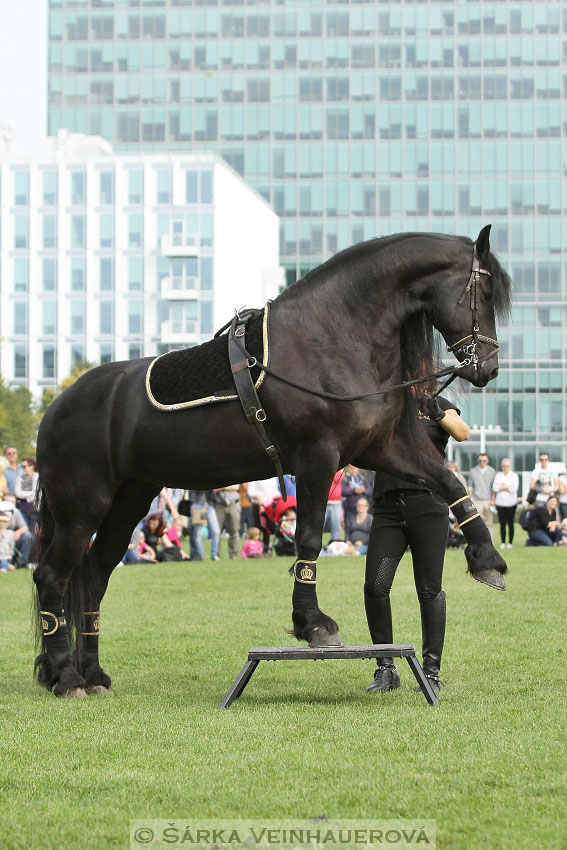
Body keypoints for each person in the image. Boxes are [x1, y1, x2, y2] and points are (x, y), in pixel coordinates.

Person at [365, 393, 470, 695]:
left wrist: (434, 409)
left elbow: (462, 433)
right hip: (387, 507)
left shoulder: (438, 402)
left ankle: (431, 673)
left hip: (428, 506)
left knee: (429, 589)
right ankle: (386, 668)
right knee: (375, 586)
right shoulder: (382, 397)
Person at [491, 458, 519, 549]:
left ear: (510, 466)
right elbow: (495, 488)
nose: (505, 467)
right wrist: (506, 487)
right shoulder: (499, 475)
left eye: (507, 466)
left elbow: (513, 489)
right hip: (500, 503)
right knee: (502, 523)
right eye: (504, 466)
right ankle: (503, 542)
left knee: (510, 523)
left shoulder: (514, 476)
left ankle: (510, 542)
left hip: (511, 503)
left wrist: (501, 487)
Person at [188, 491, 220, 561]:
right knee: (197, 533)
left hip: (210, 505)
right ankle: (201, 554)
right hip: (197, 505)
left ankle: (214, 554)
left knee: (216, 531)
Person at [468, 453, 496, 529]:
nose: (482, 462)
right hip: (476, 500)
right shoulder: (473, 471)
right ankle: (477, 541)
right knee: (475, 523)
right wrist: (470, 499)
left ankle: (490, 541)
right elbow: (470, 487)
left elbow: (494, 487)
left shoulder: (492, 471)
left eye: (484, 461)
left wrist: (493, 499)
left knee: (489, 523)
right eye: (480, 461)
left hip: (488, 500)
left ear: (487, 461)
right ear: (478, 461)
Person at [0, 500, 32, 567]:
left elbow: (25, 527)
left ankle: (21, 562)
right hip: (2, 541)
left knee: (28, 535)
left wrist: (18, 532)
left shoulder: (16, 512)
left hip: (13, 539)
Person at [213, 485, 241, 559]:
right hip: (219, 504)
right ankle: (216, 554)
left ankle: (233, 554)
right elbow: (214, 489)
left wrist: (222, 488)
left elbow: (236, 487)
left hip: (232, 503)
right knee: (217, 531)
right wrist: (227, 487)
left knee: (234, 529)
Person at [341, 465, 372, 530]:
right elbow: (343, 491)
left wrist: (364, 490)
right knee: (349, 527)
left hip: (362, 508)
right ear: (348, 469)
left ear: (357, 469)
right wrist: (354, 491)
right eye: (351, 468)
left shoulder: (362, 478)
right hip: (349, 508)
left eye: (354, 468)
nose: (353, 470)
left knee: (362, 526)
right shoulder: (345, 479)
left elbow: (370, 490)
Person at [14, 458, 39, 527]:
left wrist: (25, 494)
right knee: (25, 529)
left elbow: (37, 493)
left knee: (33, 531)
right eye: (21, 467)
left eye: (24, 466)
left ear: (32, 466)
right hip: (22, 507)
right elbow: (17, 493)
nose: (23, 468)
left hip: (34, 508)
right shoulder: (20, 478)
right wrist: (32, 493)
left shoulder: (37, 476)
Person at [324, 470, 344, 542]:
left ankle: (335, 543)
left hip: (336, 503)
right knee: (319, 525)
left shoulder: (340, 470)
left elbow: (338, 477)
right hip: (324, 503)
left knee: (336, 527)